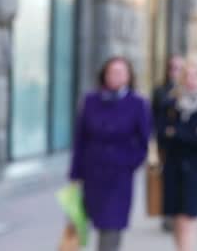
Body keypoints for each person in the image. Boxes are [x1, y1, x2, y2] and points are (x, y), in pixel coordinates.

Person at [69, 57, 151, 251]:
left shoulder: (137, 103)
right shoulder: (90, 101)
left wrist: (130, 163)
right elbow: (80, 139)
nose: (115, 76)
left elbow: (144, 141)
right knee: (79, 226)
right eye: (111, 72)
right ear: (104, 75)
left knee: (111, 227)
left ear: (129, 76)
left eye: (121, 72)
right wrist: (75, 173)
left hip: (119, 175)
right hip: (91, 172)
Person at [162, 58, 197, 251]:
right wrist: (189, 133)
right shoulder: (171, 104)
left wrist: (177, 133)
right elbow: (163, 134)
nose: (191, 80)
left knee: (189, 218)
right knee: (177, 219)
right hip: (172, 168)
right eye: (187, 75)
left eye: (196, 76)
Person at [152, 55, 184, 232]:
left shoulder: (189, 91)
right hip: (164, 142)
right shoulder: (160, 90)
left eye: (179, 68)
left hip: (184, 145)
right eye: (172, 68)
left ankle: (178, 212)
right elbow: (155, 115)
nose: (175, 72)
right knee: (166, 178)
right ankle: (167, 214)